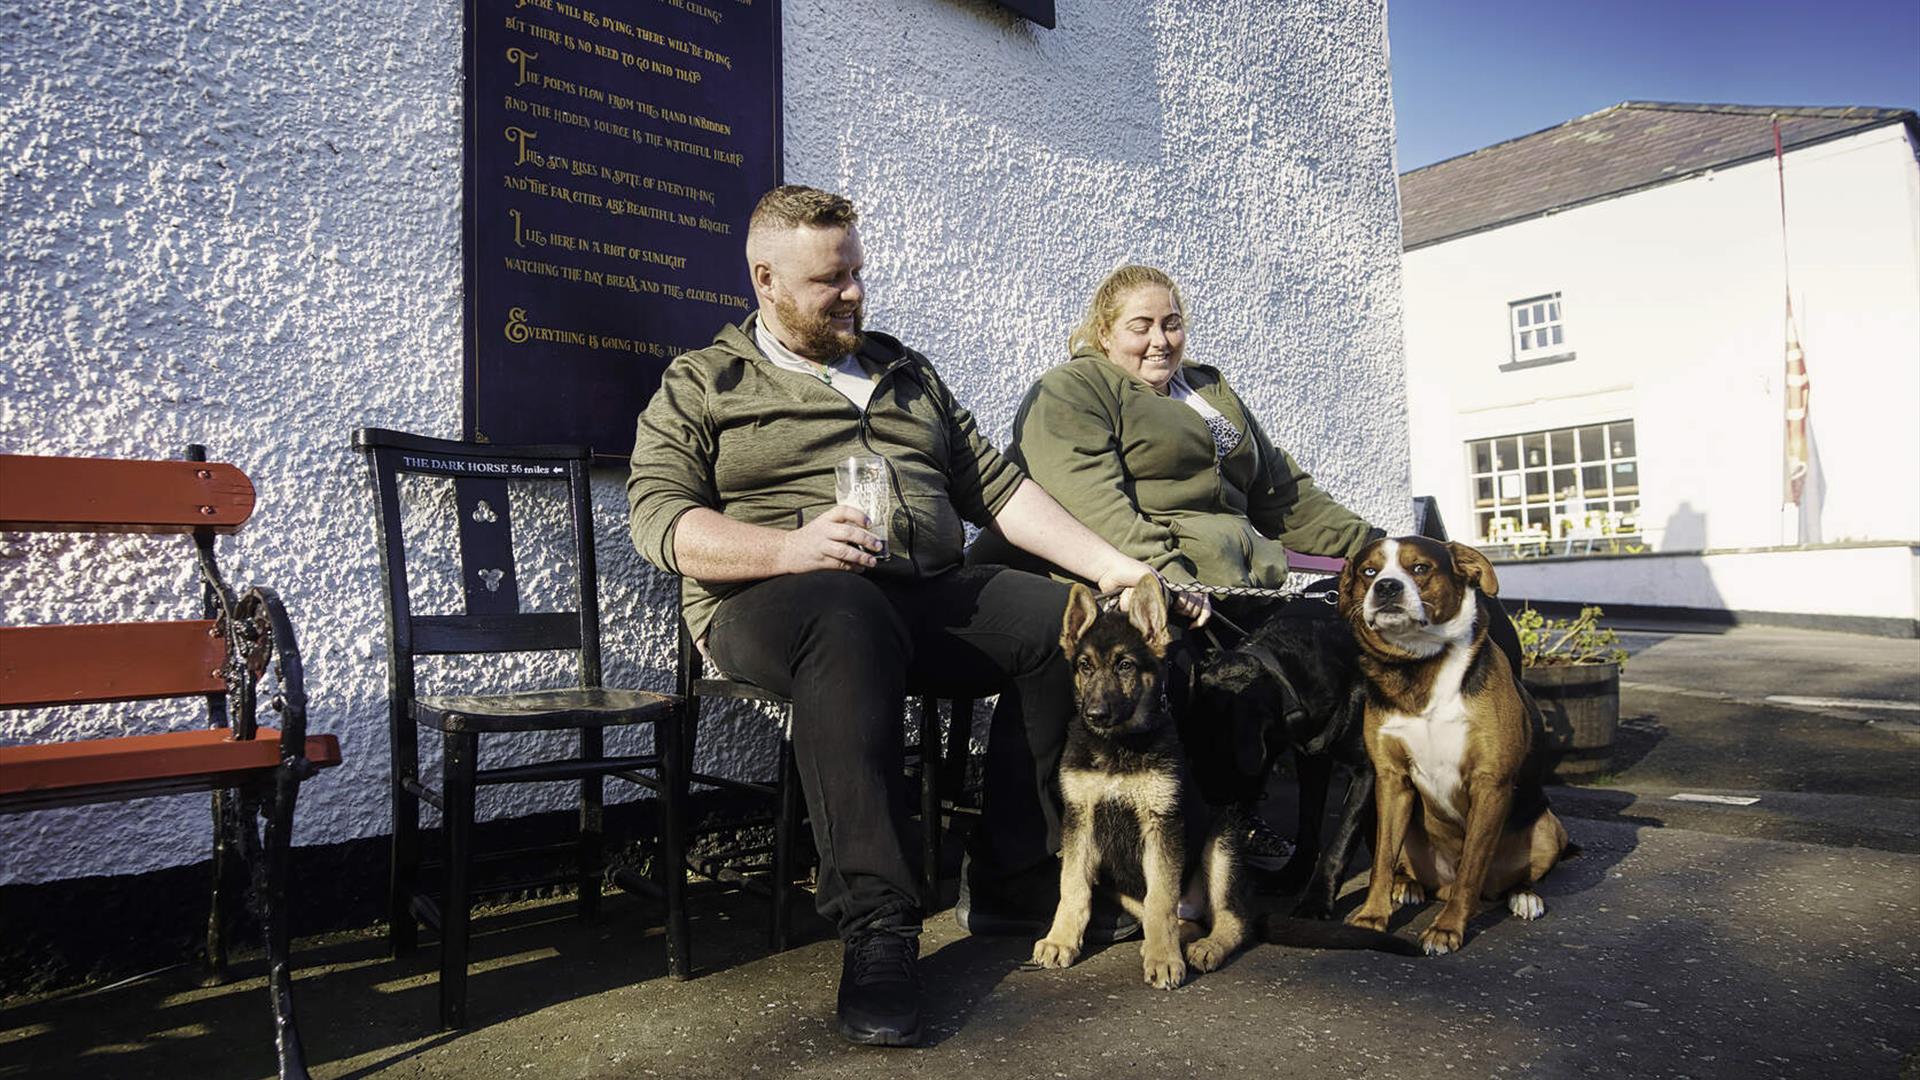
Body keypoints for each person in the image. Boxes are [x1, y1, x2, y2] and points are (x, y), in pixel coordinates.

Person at [626, 190, 1203, 1048]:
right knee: (845, 616)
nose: (856, 293)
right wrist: (788, 549)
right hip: (775, 600)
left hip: (922, 590)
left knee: (1061, 630)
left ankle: (1014, 880)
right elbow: (659, 519)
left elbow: (1002, 494)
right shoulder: (708, 380)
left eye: (858, 271)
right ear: (766, 280)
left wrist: (1121, 571)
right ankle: (878, 926)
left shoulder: (909, 374)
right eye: (831, 281)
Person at [970, 264, 1384, 865]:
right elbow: (1096, 504)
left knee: (1322, 654)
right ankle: (1189, 839)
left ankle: (1248, 820)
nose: (1160, 340)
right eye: (1141, 326)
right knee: (1201, 673)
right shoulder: (1075, 390)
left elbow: (1284, 493)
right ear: (1104, 331)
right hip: (1132, 579)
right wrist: (1168, 581)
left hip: (1236, 586)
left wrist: (1372, 548)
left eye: (1172, 324)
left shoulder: (1207, 391)